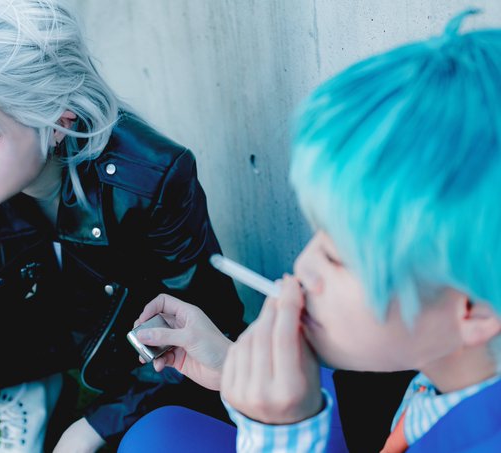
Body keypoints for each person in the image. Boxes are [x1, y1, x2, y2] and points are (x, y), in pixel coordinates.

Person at [0, 0, 246, 452]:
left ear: (57, 122)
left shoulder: (152, 176)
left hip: (124, 346)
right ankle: (31, 389)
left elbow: (213, 321)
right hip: (17, 323)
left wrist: (91, 428)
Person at [119, 9, 501, 452]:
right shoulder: (457, 367)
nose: (303, 266)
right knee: (156, 437)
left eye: (338, 257)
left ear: (473, 308)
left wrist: (282, 435)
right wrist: (235, 366)